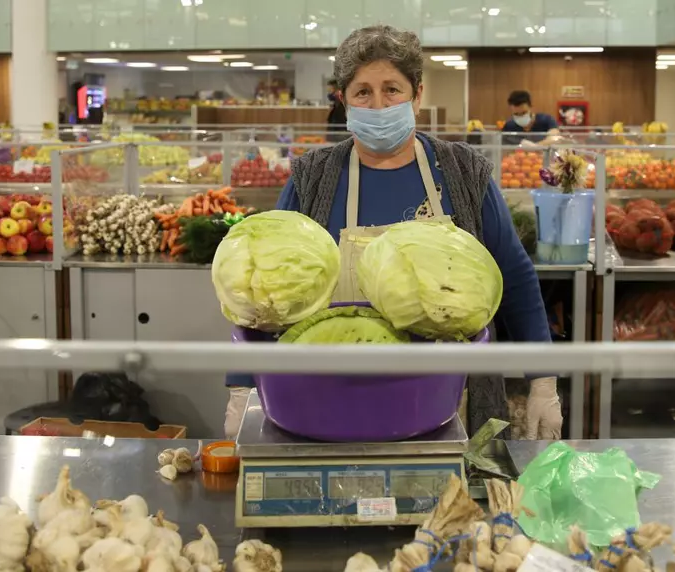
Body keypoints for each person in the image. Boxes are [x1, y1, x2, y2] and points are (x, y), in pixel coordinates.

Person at [224, 25, 561, 441]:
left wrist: (543, 380)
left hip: (445, 403)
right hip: (324, 403)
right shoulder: (312, 177)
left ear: (417, 95)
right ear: (343, 99)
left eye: (392, 90)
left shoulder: (463, 173)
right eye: (363, 92)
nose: (379, 105)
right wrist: (243, 386)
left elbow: (516, 276)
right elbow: (262, 291)